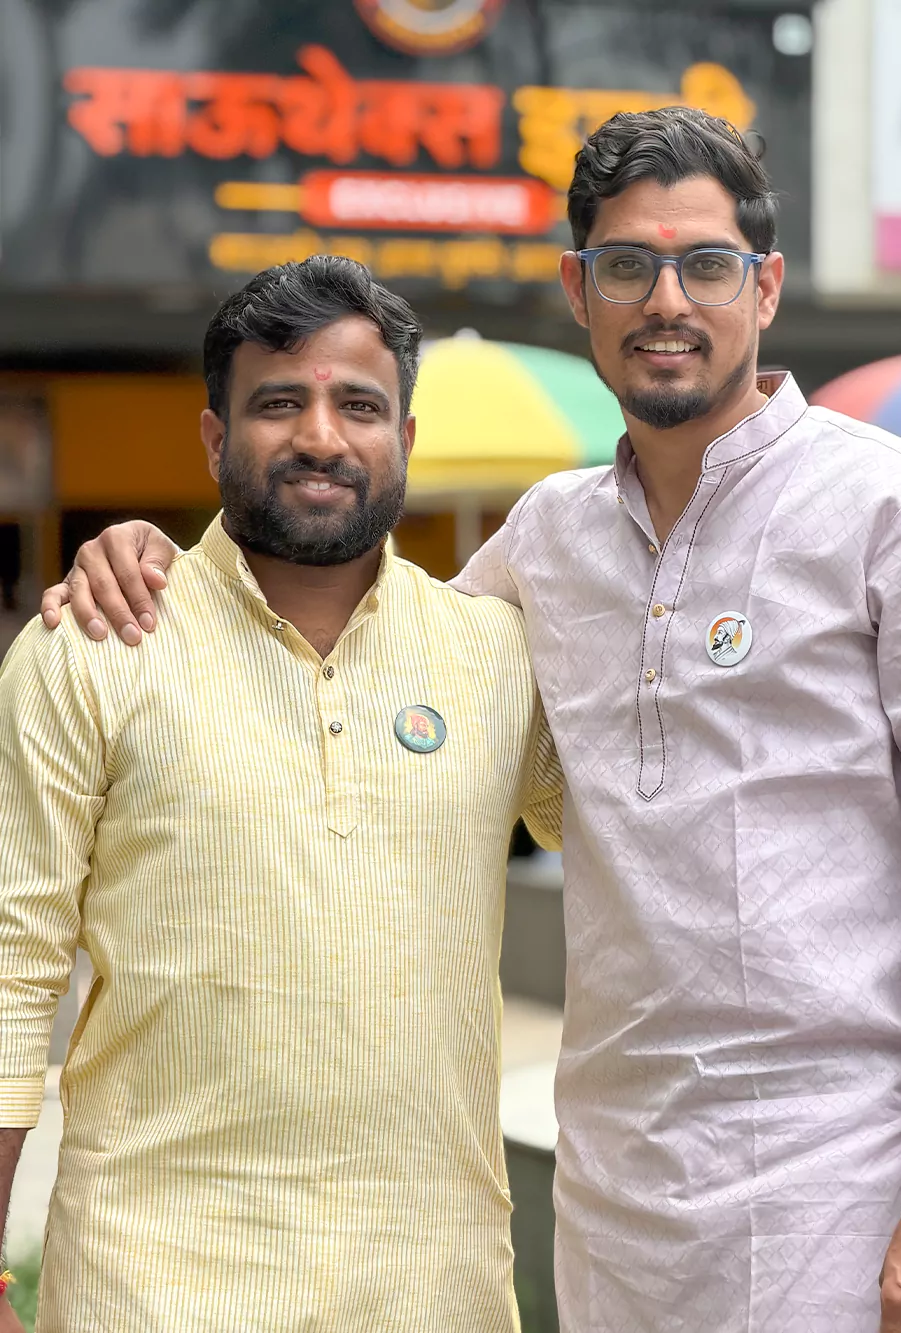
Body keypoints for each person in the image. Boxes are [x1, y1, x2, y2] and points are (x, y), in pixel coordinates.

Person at [41, 108, 901, 1332]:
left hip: (846, 1195)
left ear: (763, 288)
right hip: (615, 1210)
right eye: (626, 265)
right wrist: (159, 558)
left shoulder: (900, 515)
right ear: (578, 290)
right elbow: (364, 641)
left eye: (706, 264)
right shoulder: (547, 539)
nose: (666, 300)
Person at [1, 255, 562, 1333]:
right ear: (215, 438)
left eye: (360, 405)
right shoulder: (94, 647)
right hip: (151, 1289)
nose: (320, 435)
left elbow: (652, 840)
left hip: (429, 1289)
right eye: (278, 402)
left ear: (406, 436)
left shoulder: (497, 657)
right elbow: (11, 969)